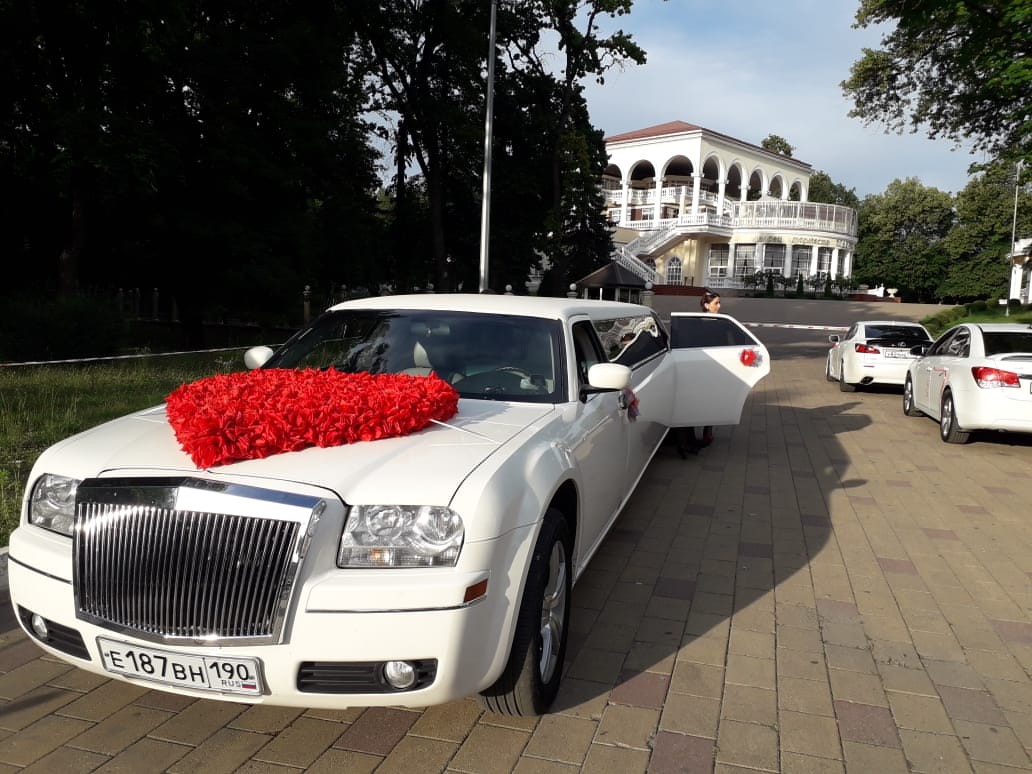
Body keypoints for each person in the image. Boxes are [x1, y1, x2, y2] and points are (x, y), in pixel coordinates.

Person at [677, 289, 721, 457]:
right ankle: (687, 441)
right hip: (700, 368)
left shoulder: (720, 322)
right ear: (706, 305)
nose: (719, 306)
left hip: (712, 368)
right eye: (716, 303)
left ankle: (704, 434)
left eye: (719, 302)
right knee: (696, 403)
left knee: (710, 401)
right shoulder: (698, 323)